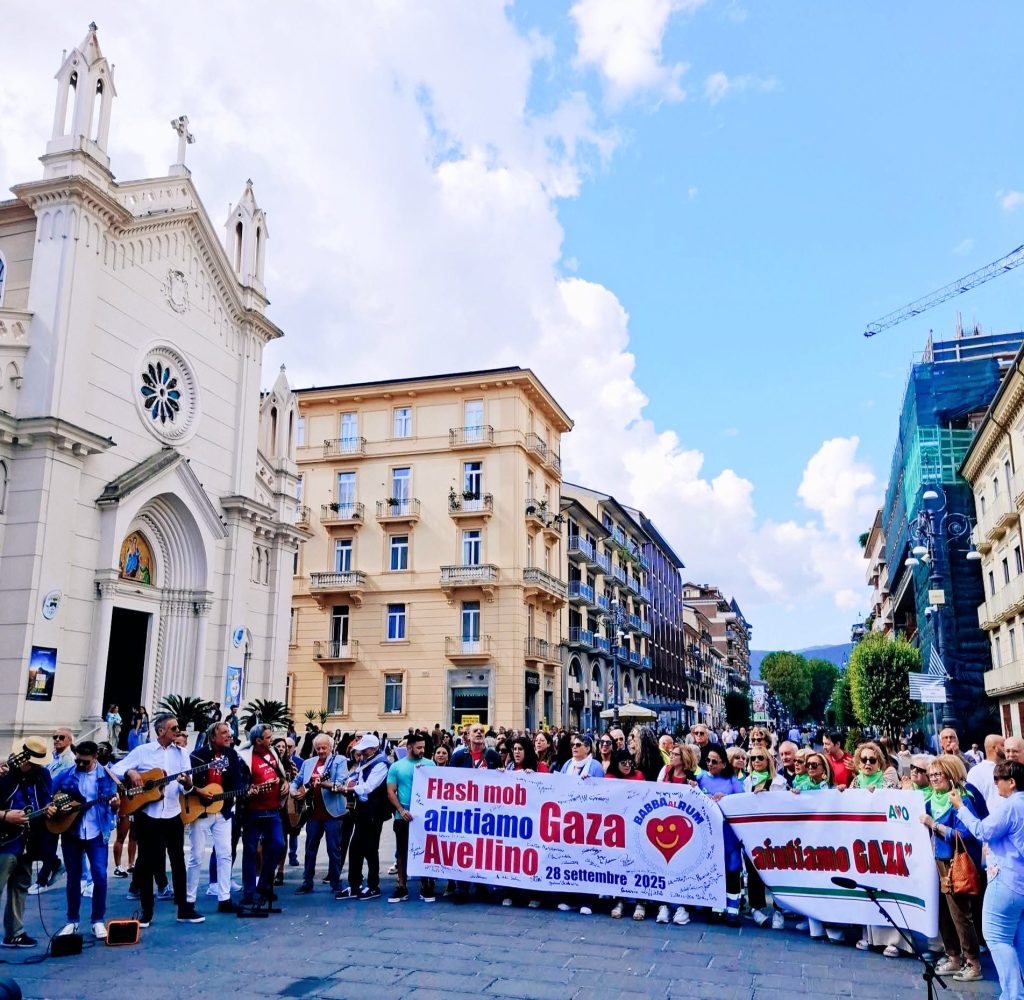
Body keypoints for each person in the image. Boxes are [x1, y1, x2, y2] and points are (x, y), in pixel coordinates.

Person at [111, 712, 201, 927]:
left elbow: (186, 787)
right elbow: (115, 769)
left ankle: (184, 909)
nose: (177, 731)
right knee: (147, 861)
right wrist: (131, 772)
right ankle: (146, 911)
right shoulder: (143, 751)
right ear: (161, 731)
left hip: (172, 812)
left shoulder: (182, 754)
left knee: (178, 861)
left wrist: (188, 783)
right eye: (173, 728)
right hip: (148, 814)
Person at [950, 760, 1024, 1000]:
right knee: (1018, 938)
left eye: (997, 781)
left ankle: (1013, 994)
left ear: (1010, 782)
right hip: (1020, 881)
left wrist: (961, 807)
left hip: (1006, 878)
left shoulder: (1011, 806)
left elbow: (982, 831)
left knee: (996, 936)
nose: (995, 785)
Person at [919, 754, 984, 982]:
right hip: (936, 862)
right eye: (932, 775)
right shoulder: (929, 799)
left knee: (960, 914)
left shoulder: (961, 800)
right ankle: (953, 956)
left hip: (955, 862)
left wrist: (934, 825)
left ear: (951, 774)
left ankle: (973, 963)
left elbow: (966, 835)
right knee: (943, 913)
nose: (934, 779)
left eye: (939, 774)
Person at [50, 741, 119, 940]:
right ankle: (72, 921)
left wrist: (115, 806)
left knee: (100, 876)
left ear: (95, 757)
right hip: (72, 831)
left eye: (85, 762)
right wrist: (57, 808)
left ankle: (97, 920)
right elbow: (50, 794)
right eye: (78, 761)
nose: (80, 765)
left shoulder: (107, 776)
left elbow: (114, 807)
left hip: (97, 831)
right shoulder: (67, 774)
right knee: (73, 877)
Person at [185, 721, 244, 914]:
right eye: (225, 733)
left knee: (225, 854)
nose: (229, 736)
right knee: (196, 855)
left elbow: (237, 783)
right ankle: (189, 899)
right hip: (200, 812)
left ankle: (224, 898)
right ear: (213, 737)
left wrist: (243, 791)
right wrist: (198, 791)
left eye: (229, 732)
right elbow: (186, 784)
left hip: (223, 811)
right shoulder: (198, 756)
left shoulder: (232, 755)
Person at [0, 737, 52, 947]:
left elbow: (47, 801)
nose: (31, 767)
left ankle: (15, 932)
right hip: (4, 841)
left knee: (20, 886)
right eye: (29, 762)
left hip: (29, 841)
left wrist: (52, 809)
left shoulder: (42, 776)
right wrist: (5, 816)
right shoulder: (4, 776)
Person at [291, 733, 348, 897]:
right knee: (310, 849)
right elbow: (297, 780)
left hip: (332, 813)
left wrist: (325, 784)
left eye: (324, 748)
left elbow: (342, 782)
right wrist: (294, 791)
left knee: (333, 849)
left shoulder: (339, 761)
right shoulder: (308, 763)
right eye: (318, 748)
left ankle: (336, 882)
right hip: (313, 812)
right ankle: (307, 881)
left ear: (331, 747)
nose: (321, 751)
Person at [336, 733, 390, 901]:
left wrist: (349, 789)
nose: (362, 753)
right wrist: (348, 783)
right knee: (356, 848)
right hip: (363, 809)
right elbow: (357, 777)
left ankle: (373, 886)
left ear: (373, 749)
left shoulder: (381, 764)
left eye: (364, 750)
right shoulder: (368, 761)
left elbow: (369, 786)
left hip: (373, 811)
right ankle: (355, 884)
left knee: (370, 848)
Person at [240, 724, 287, 909]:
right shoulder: (245, 758)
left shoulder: (273, 753)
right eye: (268, 737)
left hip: (273, 809)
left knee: (278, 844)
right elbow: (241, 786)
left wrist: (284, 783)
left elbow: (281, 774)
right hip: (254, 811)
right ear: (258, 740)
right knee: (251, 851)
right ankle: (249, 892)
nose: (271, 739)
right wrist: (249, 791)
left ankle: (264, 886)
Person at [696, 746, 744, 925]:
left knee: (732, 869)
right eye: (707, 760)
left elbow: (742, 800)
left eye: (714, 761)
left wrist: (725, 798)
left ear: (723, 763)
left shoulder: (731, 780)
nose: (709, 764)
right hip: (710, 833)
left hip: (729, 833)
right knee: (714, 869)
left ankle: (733, 908)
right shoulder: (700, 779)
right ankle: (716, 906)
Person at [386, 731, 435, 904]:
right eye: (418, 747)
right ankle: (401, 885)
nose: (422, 750)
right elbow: (391, 791)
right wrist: (400, 809)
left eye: (423, 747)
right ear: (409, 748)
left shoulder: (429, 764)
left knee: (424, 849)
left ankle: (426, 883)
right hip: (403, 815)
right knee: (402, 850)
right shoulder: (397, 766)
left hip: (423, 816)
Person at [744, 745, 786, 929]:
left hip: (774, 834)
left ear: (768, 760)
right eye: (753, 758)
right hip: (752, 833)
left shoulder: (779, 781)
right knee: (753, 872)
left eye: (760, 758)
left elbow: (784, 805)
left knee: (777, 872)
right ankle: (756, 907)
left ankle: (779, 909)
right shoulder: (747, 782)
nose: (757, 761)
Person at [967, 734, 1006, 813]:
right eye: (1003, 745)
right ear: (996, 748)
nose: (1007, 748)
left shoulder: (1011, 768)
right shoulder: (975, 772)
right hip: (989, 821)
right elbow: (973, 800)